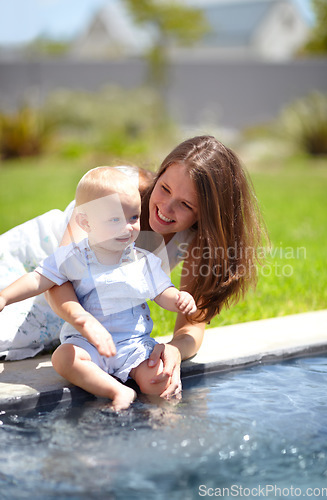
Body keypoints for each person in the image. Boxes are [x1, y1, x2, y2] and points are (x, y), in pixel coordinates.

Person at [0, 135, 266, 399]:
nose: (166, 208)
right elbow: (58, 279)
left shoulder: (197, 241)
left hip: (88, 316)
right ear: (160, 174)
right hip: (32, 275)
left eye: (185, 205)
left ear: (205, 215)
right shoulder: (117, 190)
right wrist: (85, 323)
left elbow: (192, 327)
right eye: (164, 188)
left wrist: (174, 349)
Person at [0, 167, 196, 410]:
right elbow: (39, 279)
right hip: (87, 343)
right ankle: (117, 390)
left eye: (134, 218)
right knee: (63, 359)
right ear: (86, 222)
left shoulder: (143, 260)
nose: (128, 227)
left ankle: (163, 413)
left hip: (133, 344)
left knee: (158, 376)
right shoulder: (75, 256)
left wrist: (178, 298)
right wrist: (5, 296)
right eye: (115, 220)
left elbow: (162, 292)